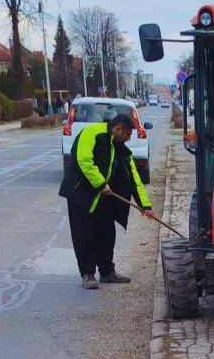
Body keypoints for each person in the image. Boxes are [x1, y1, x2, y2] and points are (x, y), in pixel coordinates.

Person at [59, 113, 152, 289]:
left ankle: (107, 272)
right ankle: (87, 274)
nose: (129, 138)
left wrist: (145, 205)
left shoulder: (120, 147)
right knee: (83, 235)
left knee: (107, 235)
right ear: (118, 129)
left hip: (102, 199)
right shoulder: (92, 133)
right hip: (81, 195)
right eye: (127, 134)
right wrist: (101, 184)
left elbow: (134, 178)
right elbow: (84, 160)